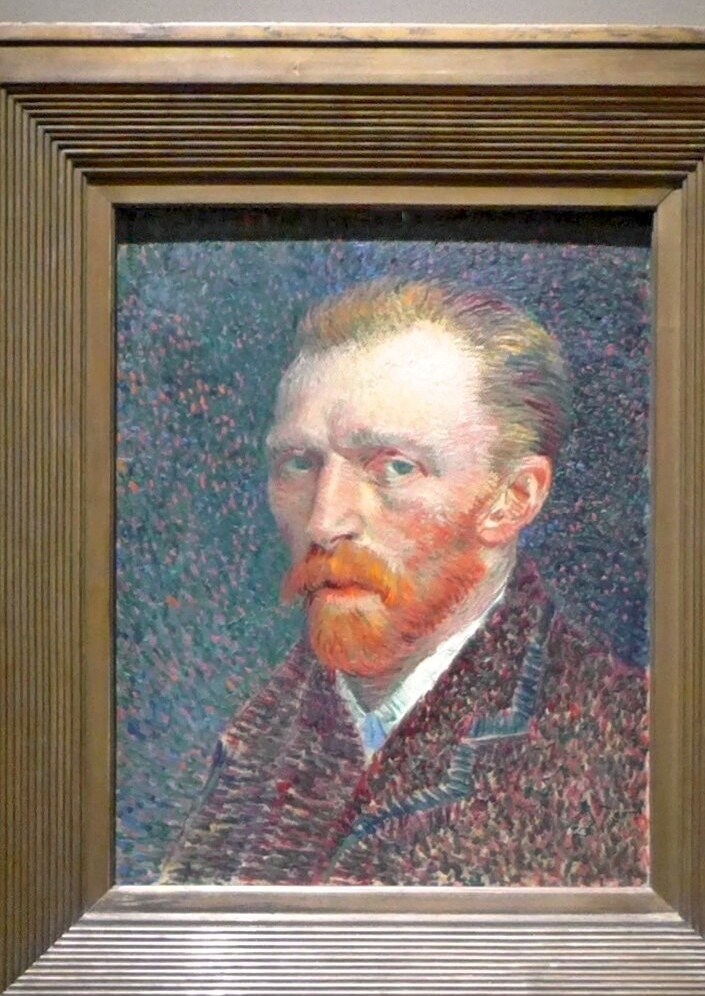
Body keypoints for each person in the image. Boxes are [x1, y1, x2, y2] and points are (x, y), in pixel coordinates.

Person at [159, 278, 648, 887]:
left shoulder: (630, 748)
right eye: (299, 463)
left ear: (513, 498)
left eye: (394, 466)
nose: (324, 521)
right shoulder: (253, 742)